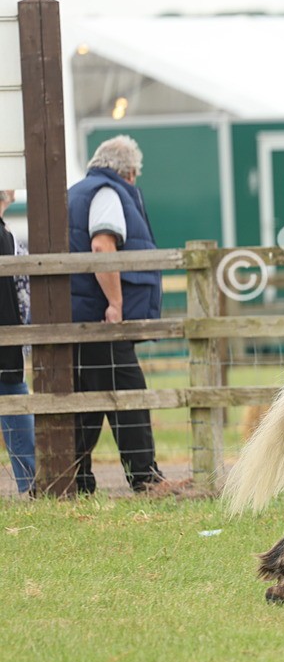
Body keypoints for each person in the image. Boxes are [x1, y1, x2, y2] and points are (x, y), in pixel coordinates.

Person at [68, 136, 175, 494]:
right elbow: (102, 247)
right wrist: (115, 303)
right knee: (129, 395)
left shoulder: (79, 191)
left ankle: (72, 479)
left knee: (86, 402)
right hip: (101, 319)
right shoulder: (108, 194)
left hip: (78, 315)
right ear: (128, 172)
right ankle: (145, 479)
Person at [0, 190, 36, 494]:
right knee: (16, 405)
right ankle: (30, 484)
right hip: (6, 347)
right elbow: (24, 295)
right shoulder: (7, 238)